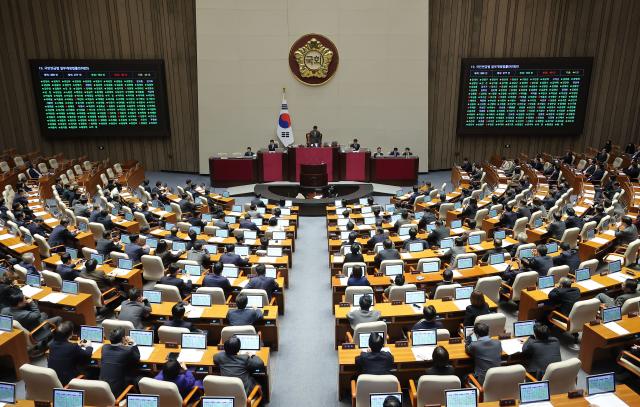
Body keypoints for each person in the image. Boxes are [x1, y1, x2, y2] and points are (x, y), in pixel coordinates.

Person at [47, 321, 93, 385]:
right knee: (91, 370)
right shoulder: (72, 347)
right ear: (71, 333)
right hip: (68, 382)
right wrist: (89, 346)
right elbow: (87, 354)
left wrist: (77, 346)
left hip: (54, 380)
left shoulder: (52, 345)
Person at [100, 328, 141, 396]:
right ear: (123, 339)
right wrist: (133, 343)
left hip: (102, 389)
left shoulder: (104, 348)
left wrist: (124, 345)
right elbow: (137, 357)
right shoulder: (127, 350)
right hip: (117, 392)